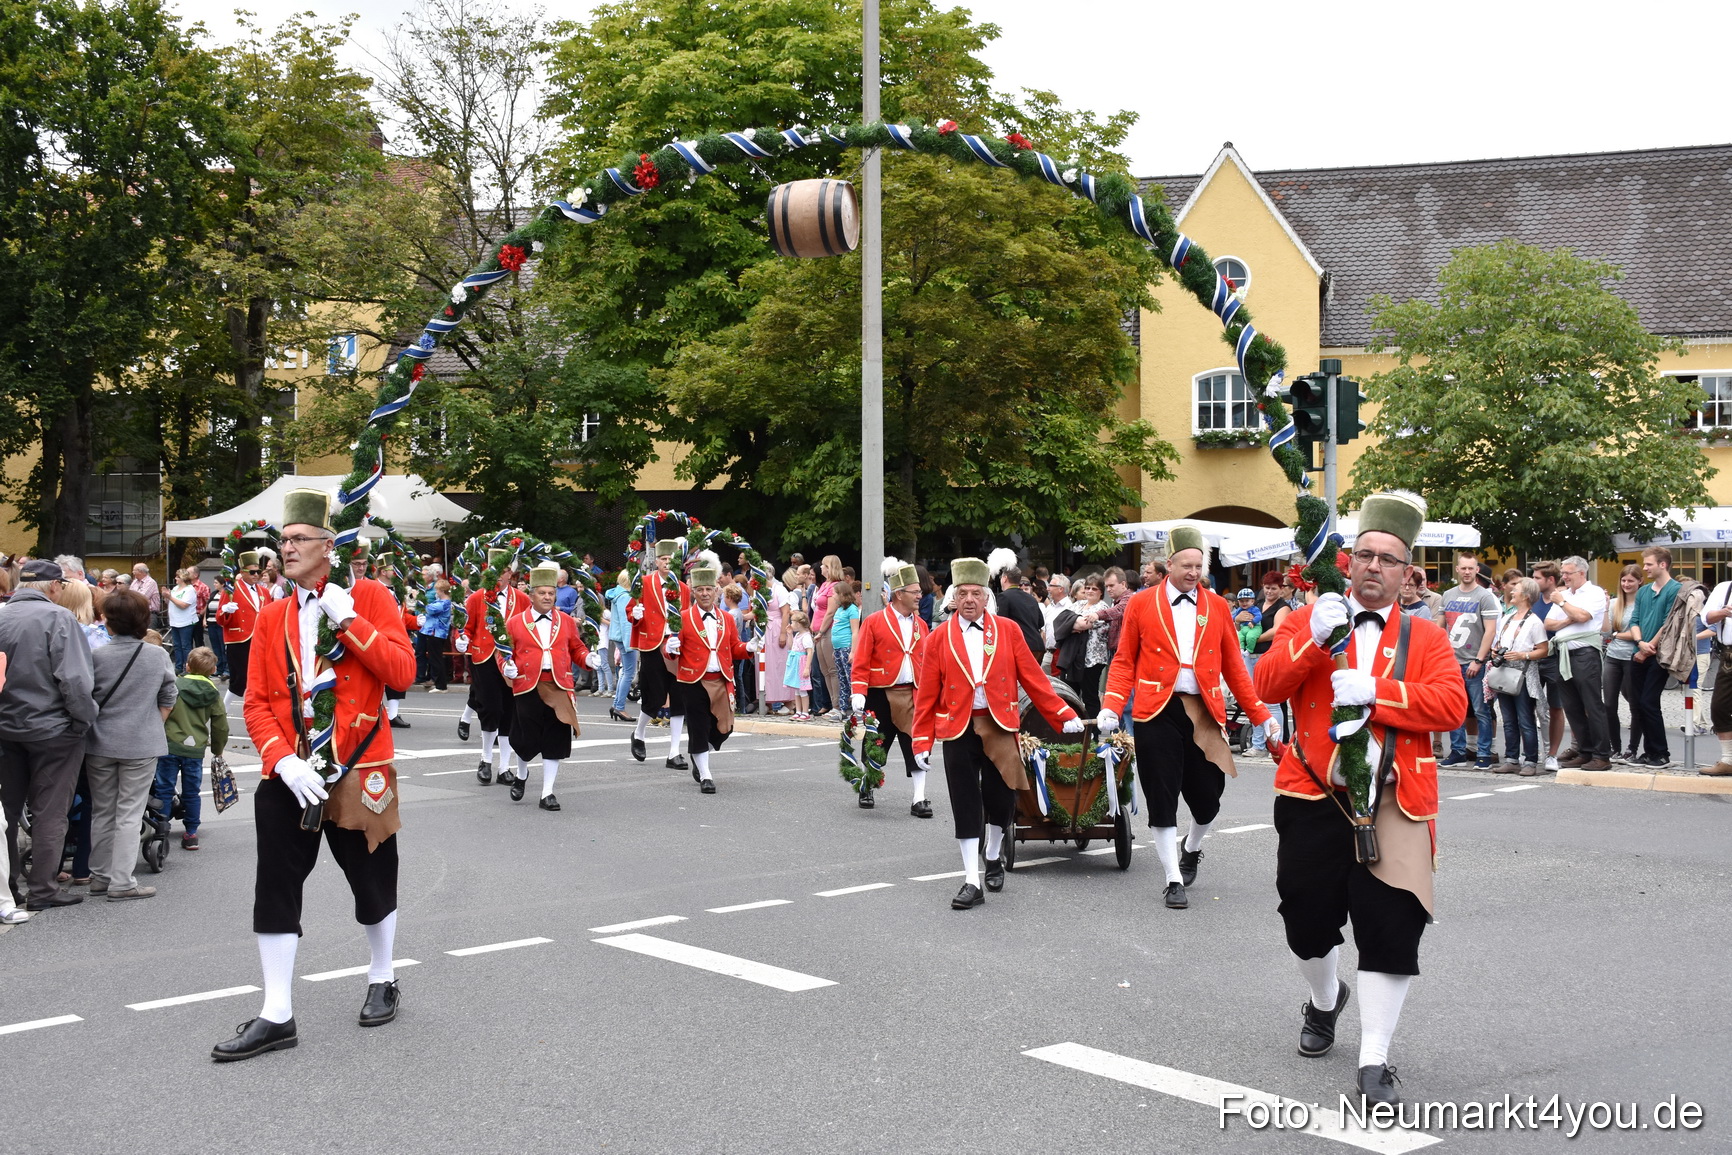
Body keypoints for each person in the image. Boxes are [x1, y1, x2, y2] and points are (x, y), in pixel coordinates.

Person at [1252, 491, 1468, 1107]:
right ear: (1346, 563)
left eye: (1388, 559)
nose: (1373, 566)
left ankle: (1375, 1060)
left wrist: (1378, 689)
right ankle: (1325, 1001)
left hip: (1397, 800)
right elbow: (1264, 685)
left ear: (1407, 574)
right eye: (1364, 555)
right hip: (1314, 795)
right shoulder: (1307, 617)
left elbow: (1451, 706)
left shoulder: (1425, 636)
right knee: (1305, 919)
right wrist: (1310, 643)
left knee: (1392, 923)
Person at [213, 488, 416, 1062]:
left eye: (299, 539)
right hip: (292, 773)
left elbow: (401, 671)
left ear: (330, 546)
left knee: (372, 878)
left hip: (357, 766)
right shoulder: (272, 613)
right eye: (284, 540)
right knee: (274, 886)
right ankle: (277, 1012)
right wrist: (282, 759)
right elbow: (254, 701)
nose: (287, 549)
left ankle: (383, 975)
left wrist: (348, 621)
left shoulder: (371, 597)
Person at [1098, 526, 1278, 909]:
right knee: (1161, 794)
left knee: (1208, 797)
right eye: (1187, 565)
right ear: (1170, 565)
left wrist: (1261, 714)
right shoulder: (1142, 603)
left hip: (1204, 709)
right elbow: (1125, 660)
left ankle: (1192, 847)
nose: (1194, 572)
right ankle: (1172, 878)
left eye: (1199, 565)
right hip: (1156, 710)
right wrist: (1112, 705)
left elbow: (1234, 666)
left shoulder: (1216, 606)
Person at [911, 556, 1082, 910]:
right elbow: (926, 693)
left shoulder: (1007, 630)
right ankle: (972, 880)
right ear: (954, 598)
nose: (970, 599)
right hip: (957, 726)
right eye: (963, 593)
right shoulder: (938, 637)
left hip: (1001, 722)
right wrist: (921, 739)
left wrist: (1061, 712)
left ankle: (993, 854)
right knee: (964, 800)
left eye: (976, 593)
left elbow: (1033, 679)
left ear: (986, 596)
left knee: (1001, 799)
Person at [0, 560, 99, 910]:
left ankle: (7, 887)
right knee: (50, 811)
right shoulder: (58, 619)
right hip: (53, 729)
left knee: (7, 814)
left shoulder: (1, 615)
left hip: (6, 727)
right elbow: (75, 681)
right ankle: (42, 889)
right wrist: (83, 721)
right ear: (54, 586)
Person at [85, 589, 178, 901]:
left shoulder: (95, 657)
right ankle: (122, 882)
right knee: (129, 812)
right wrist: (153, 723)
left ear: (108, 622)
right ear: (143, 620)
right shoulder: (157, 656)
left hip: (99, 741)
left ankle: (99, 875)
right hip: (141, 741)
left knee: (102, 811)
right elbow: (169, 696)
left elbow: (85, 699)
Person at [503, 562, 600, 810]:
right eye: (542, 593)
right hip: (527, 685)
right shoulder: (515, 622)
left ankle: (547, 792)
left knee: (556, 738)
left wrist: (588, 658)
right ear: (532, 595)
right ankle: (522, 774)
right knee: (525, 739)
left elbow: (576, 648)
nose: (547, 597)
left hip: (558, 684)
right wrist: (507, 667)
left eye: (551, 593)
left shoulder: (566, 621)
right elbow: (504, 653)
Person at [848, 558, 932, 815]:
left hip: (911, 693)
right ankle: (868, 785)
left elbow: (927, 663)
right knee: (875, 743)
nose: (920, 595)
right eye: (915, 591)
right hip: (880, 692)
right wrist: (858, 692)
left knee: (917, 745)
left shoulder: (922, 625)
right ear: (899, 594)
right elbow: (861, 658)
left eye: (920, 591)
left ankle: (919, 799)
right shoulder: (874, 621)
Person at [670, 554, 752, 794]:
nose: (705, 594)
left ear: (717, 591)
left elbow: (735, 647)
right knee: (698, 724)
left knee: (724, 727)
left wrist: (748, 648)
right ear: (694, 592)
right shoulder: (683, 618)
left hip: (721, 680)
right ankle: (705, 774)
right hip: (692, 680)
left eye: (709, 589)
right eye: (700, 590)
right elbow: (672, 647)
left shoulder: (727, 618)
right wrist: (670, 648)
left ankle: (700, 750)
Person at [458, 549, 526, 784]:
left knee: (509, 710)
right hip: (484, 657)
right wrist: (463, 638)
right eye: (495, 568)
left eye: (504, 569)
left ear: (511, 573)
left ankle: (504, 767)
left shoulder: (522, 599)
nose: (499, 574)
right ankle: (486, 759)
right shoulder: (478, 597)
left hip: (509, 661)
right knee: (490, 708)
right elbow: (467, 626)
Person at [154, 645, 228, 849]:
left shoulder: (176, 685)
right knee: (191, 792)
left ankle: (161, 827)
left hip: (170, 744)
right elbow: (220, 723)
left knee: (164, 788)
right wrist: (218, 749)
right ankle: (191, 832)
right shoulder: (213, 693)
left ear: (187, 665)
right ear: (213, 670)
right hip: (195, 749)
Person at [628, 540, 692, 767]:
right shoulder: (645, 583)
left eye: (670, 560)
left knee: (678, 697)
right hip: (652, 645)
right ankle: (639, 733)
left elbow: (686, 618)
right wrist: (635, 614)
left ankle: (674, 753)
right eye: (663, 559)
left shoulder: (683, 588)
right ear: (656, 561)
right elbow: (631, 610)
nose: (667, 563)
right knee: (653, 697)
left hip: (675, 646)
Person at [1547, 557, 1613, 771]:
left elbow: (1583, 616)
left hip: (1585, 653)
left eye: (1568, 573)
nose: (1564, 577)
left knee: (1592, 705)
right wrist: (1568, 617)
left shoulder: (1593, 593)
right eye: (1563, 573)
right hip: (1564, 652)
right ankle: (1585, 751)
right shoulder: (1564, 594)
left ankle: (1602, 755)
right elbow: (1549, 623)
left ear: (1582, 573)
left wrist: (1563, 605)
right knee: (1572, 706)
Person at [1439, 552, 1502, 770]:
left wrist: (1479, 659)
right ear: (1457, 569)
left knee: (1481, 709)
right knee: (1454, 709)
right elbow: (1439, 627)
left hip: (1475, 661)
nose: (1467, 572)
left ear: (1477, 570)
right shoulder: (1447, 595)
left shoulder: (1484, 596)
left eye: (1470, 568)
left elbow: (1490, 630)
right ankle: (1457, 751)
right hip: (1450, 662)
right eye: (1463, 568)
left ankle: (1483, 753)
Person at [1488, 578, 1549, 776]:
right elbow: (1497, 643)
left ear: (1526, 596)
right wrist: (1495, 652)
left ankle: (1530, 760)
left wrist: (1524, 655)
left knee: (1525, 718)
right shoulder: (1507, 618)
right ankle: (1512, 759)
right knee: (1508, 719)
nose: (1512, 592)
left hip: (1522, 674)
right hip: (1505, 672)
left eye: (1517, 590)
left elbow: (1544, 649)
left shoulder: (1534, 622)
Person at [1629, 548, 1682, 769]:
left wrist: (1649, 646)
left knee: (1649, 702)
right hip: (1640, 651)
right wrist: (1640, 643)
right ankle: (1650, 752)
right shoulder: (1643, 592)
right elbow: (1634, 620)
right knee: (1639, 704)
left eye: (1649, 564)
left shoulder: (1675, 589)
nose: (1645, 568)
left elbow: (1668, 623)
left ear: (1663, 564)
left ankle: (1661, 753)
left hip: (1660, 655)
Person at [1248, 572, 1295, 759]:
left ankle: (1276, 743)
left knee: (1272, 703)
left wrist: (1254, 638)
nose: (1269, 591)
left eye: (1273, 588)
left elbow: (1278, 630)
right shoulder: (1257, 605)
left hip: (1270, 655)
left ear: (1281, 589)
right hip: (1252, 655)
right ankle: (1258, 744)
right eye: (1266, 587)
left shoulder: (1283, 607)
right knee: (1253, 701)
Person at [1602, 564, 1646, 762]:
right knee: (1609, 704)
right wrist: (1604, 610)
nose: (1626, 584)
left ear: (1640, 581)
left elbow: (1640, 634)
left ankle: (1632, 748)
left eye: (1631, 580)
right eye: (1623, 580)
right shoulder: (1614, 603)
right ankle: (1615, 747)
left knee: (1635, 704)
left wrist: (1617, 634)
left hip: (1633, 657)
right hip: (1613, 657)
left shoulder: (1643, 604)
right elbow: (1604, 632)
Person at [216, 551, 268, 708]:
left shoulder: (264, 592)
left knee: (261, 677)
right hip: (239, 639)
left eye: (258, 572)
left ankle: (258, 708)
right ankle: (224, 709)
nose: (256, 575)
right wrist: (225, 610)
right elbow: (220, 618)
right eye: (252, 572)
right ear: (242, 572)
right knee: (239, 678)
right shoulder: (231, 590)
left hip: (260, 638)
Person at [1699, 568, 1732, 776]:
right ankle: (1728, 760)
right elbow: (1706, 618)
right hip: (1729, 655)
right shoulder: (1724, 589)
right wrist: (1724, 612)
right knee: (1719, 706)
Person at [990, 549, 1045, 662]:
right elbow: (1041, 622)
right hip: (1037, 645)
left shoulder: (1004, 597)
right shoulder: (1031, 598)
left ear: (1004, 578)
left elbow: (1001, 624)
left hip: (1021, 647)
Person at [605, 570, 636, 722]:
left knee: (625, 672)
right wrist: (630, 643)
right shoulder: (625, 596)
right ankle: (620, 707)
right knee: (629, 672)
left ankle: (617, 704)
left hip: (618, 637)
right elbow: (626, 622)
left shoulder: (617, 594)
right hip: (625, 638)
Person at [828, 582, 861, 720]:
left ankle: (858, 710)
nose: (833, 595)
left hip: (846, 647)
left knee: (850, 678)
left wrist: (853, 651)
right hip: (838, 648)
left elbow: (855, 631)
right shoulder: (840, 609)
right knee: (842, 679)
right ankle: (843, 709)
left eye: (835, 593)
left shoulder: (852, 609)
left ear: (842, 594)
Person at [416, 579, 452, 692]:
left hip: (436, 633)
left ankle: (441, 685)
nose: (436, 592)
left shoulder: (444, 603)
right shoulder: (440, 602)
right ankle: (439, 683)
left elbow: (429, 609)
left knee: (436, 659)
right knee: (434, 658)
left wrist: (420, 599)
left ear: (441, 591)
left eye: (437, 590)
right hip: (433, 633)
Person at [166, 568, 198, 674]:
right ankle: (178, 666)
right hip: (175, 621)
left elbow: (183, 605)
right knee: (177, 645)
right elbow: (170, 602)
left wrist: (170, 597)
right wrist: (166, 596)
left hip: (186, 621)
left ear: (183, 578)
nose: (175, 578)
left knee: (185, 646)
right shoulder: (175, 588)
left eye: (177, 577)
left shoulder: (190, 590)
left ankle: (187, 667)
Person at [784, 611, 815, 719]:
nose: (791, 624)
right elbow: (791, 646)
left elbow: (810, 652)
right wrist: (789, 634)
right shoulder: (797, 635)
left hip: (801, 663)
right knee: (797, 689)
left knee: (802, 689)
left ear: (799, 624)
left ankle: (805, 712)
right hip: (795, 663)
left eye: (792, 622)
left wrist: (807, 667)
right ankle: (798, 710)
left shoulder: (806, 636)